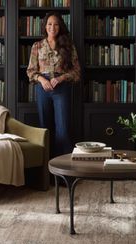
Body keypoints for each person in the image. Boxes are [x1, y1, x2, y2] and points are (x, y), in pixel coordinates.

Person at [27, 11, 81, 157]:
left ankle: (65, 172)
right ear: (45, 26)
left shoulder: (68, 46)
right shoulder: (37, 46)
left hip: (61, 89)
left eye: (56, 24)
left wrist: (61, 78)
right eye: (50, 24)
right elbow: (31, 71)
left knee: (62, 130)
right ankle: (47, 172)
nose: (53, 27)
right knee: (45, 129)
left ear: (60, 26)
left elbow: (76, 72)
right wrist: (42, 80)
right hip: (42, 89)